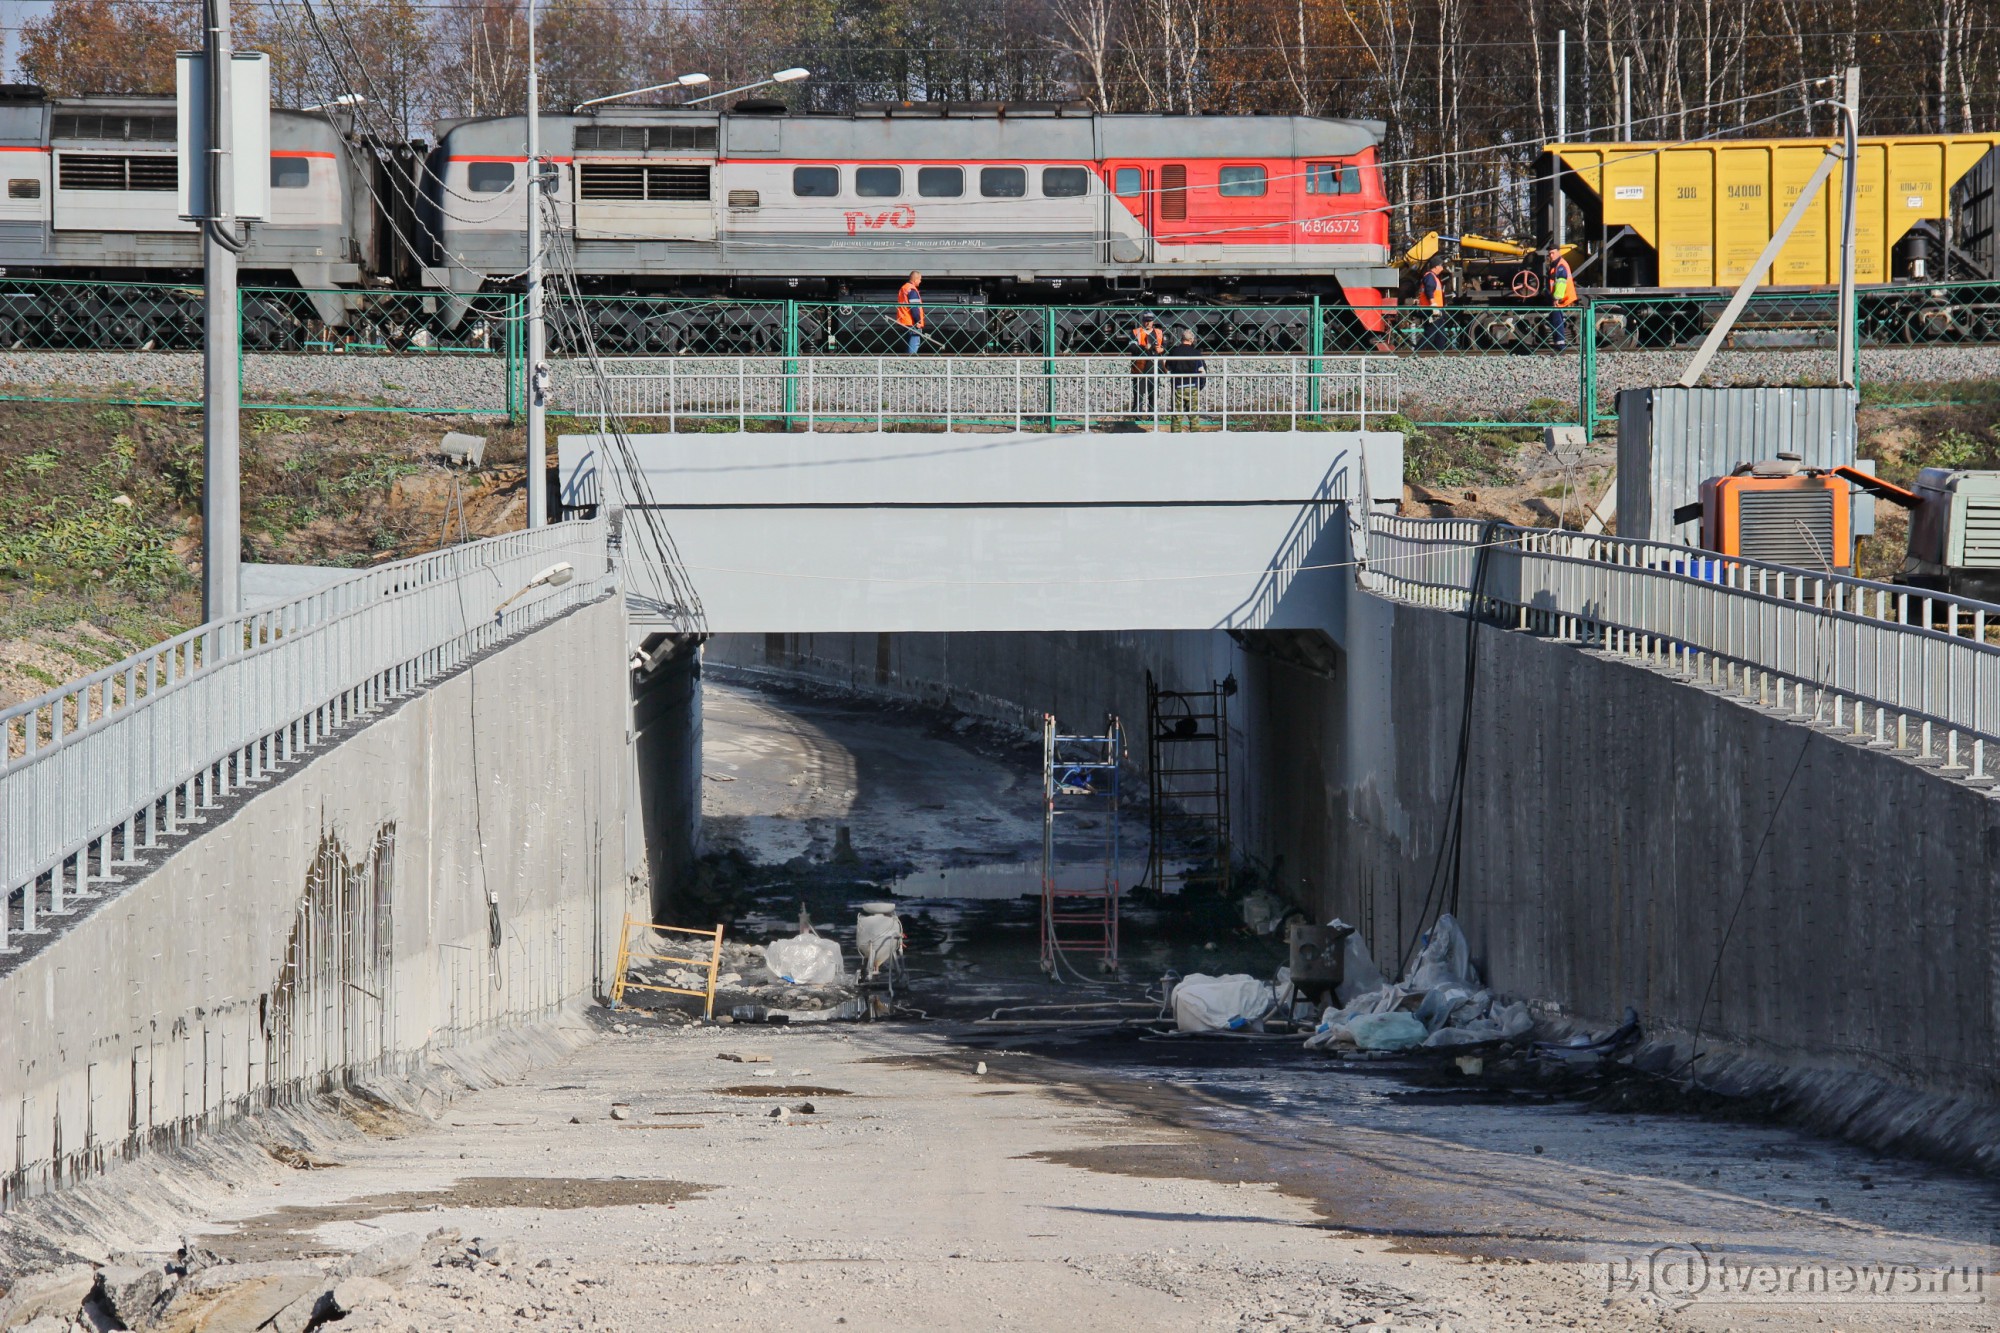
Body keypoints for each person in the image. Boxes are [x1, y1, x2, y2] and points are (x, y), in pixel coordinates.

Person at [1163, 328, 1205, 430]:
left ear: (1181, 339)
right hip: (1192, 386)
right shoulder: (1196, 353)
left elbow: (1167, 367)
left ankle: (1175, 439)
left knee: (1177, 417)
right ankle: (1195, 438)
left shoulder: (1174, 351)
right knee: (1194, 417)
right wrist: (1200, 386)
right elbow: (1202, 371)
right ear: (1192, 340)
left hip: (1178, 386)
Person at [1129, 313, 1165, 417]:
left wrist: (1162, 349)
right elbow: (1131, 347)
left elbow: (1166, 346)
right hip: (1140, 366)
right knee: (1138, 393)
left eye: (1149, 320)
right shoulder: (1136, 332)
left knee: (1153, 393)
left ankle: (1152, 415)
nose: (1147, 323)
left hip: (1154, 366)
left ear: (1153, 321)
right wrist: (1144, 347)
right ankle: (1137, 415)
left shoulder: (1159, 332)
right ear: (1142, 321)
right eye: (1145, 320)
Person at [1546, 245, 1577, 352]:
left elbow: (1561, 283)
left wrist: (1556, 298)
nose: (1551, 255)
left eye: (1553, 253)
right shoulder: (1555, 265)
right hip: (1561, 297)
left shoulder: (1560, 266)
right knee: (1556, 319)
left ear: (1559, 252)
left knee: (1557, 320)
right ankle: (1559, 345)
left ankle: (1560, 347)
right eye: (1549, 254)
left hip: (1561, 298)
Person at [1417, 255, 1448, 351]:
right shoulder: (1430, 277)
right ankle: (1416, 352)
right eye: (1441, 266)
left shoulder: (1432, 277)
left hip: (1435, 310)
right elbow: (1429, 290)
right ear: (1436, 266)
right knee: (1431, 334)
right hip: (1432, 310)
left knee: (1440, 334)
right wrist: (1433, 305)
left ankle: (1439, 354)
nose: (1442, 268)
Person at [896, 271, 924, 354]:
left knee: (909, 342)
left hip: (905, 320)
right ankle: (911, 361)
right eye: (920, 279)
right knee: (914, 342)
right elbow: (914, 307)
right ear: (915, 280)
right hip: (912, 321)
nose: (920, 281)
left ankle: (907, 360)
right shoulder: (912, 290)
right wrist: (917, 321)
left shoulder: (904, 288)